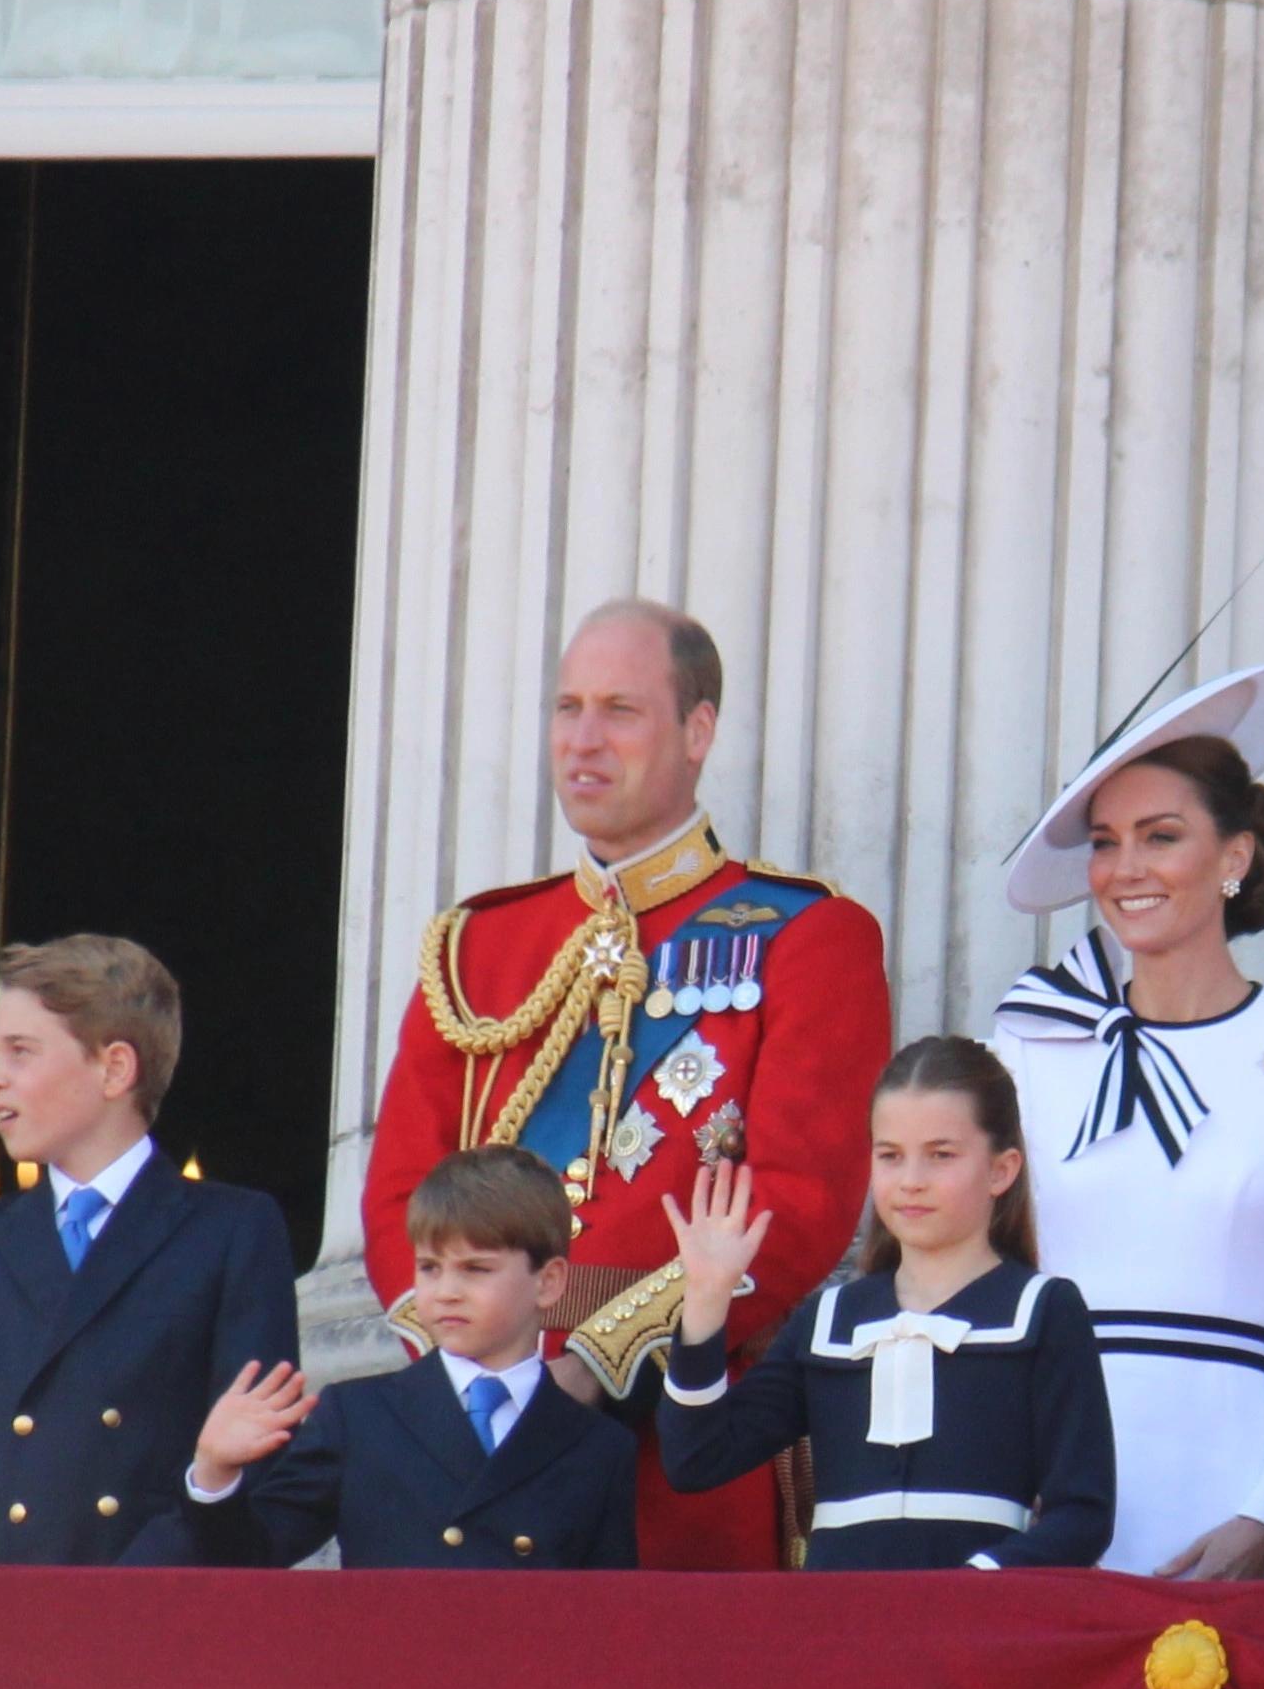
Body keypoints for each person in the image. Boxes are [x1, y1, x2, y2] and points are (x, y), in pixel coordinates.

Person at [358, 599, 893, 1569]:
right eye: (567, 709)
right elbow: (399, 1193)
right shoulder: (477, 945)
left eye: (620, 709)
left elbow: (803, 1203)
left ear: (698, 731)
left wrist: (598, 1362)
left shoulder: (806, 936)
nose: (583, 740)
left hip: (675, 1455)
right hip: (467, 1442)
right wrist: (467, 1371)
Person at [988, 655, 1264, 1579]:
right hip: (1040, 1484)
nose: (1124, 868)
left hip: (1229, 1488)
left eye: (1160, 836)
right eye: (1105, 840)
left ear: (1234, 857)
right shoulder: (1032, 1039)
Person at [0, 937, 299, 1566]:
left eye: (21, 1052)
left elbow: (255, 1450)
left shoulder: (232, 1230)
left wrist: (117, 1602)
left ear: (115, 1069)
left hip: (146, 1620)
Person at [656, 1038, 1115, 1570]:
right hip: (837, 1629)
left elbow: (1084, 1515)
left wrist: (979, 1583)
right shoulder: (829, 1320)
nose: (911, 1182)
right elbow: (695, 1458)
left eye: (941, 1155)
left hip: (977, 1632)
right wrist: (707, 1300)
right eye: (890, 1156)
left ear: (1001, 1170)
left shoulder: (1043, 1310)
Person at [134, 1149, 640, 1570]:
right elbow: (252, 1559)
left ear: (548, 1282)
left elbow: (603, 1624)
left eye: (475, 1269)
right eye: (429, 1267)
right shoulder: (359, 1417)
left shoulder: (597, 1446)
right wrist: (214, 1473)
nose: (446, 1292)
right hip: (385, 1682)